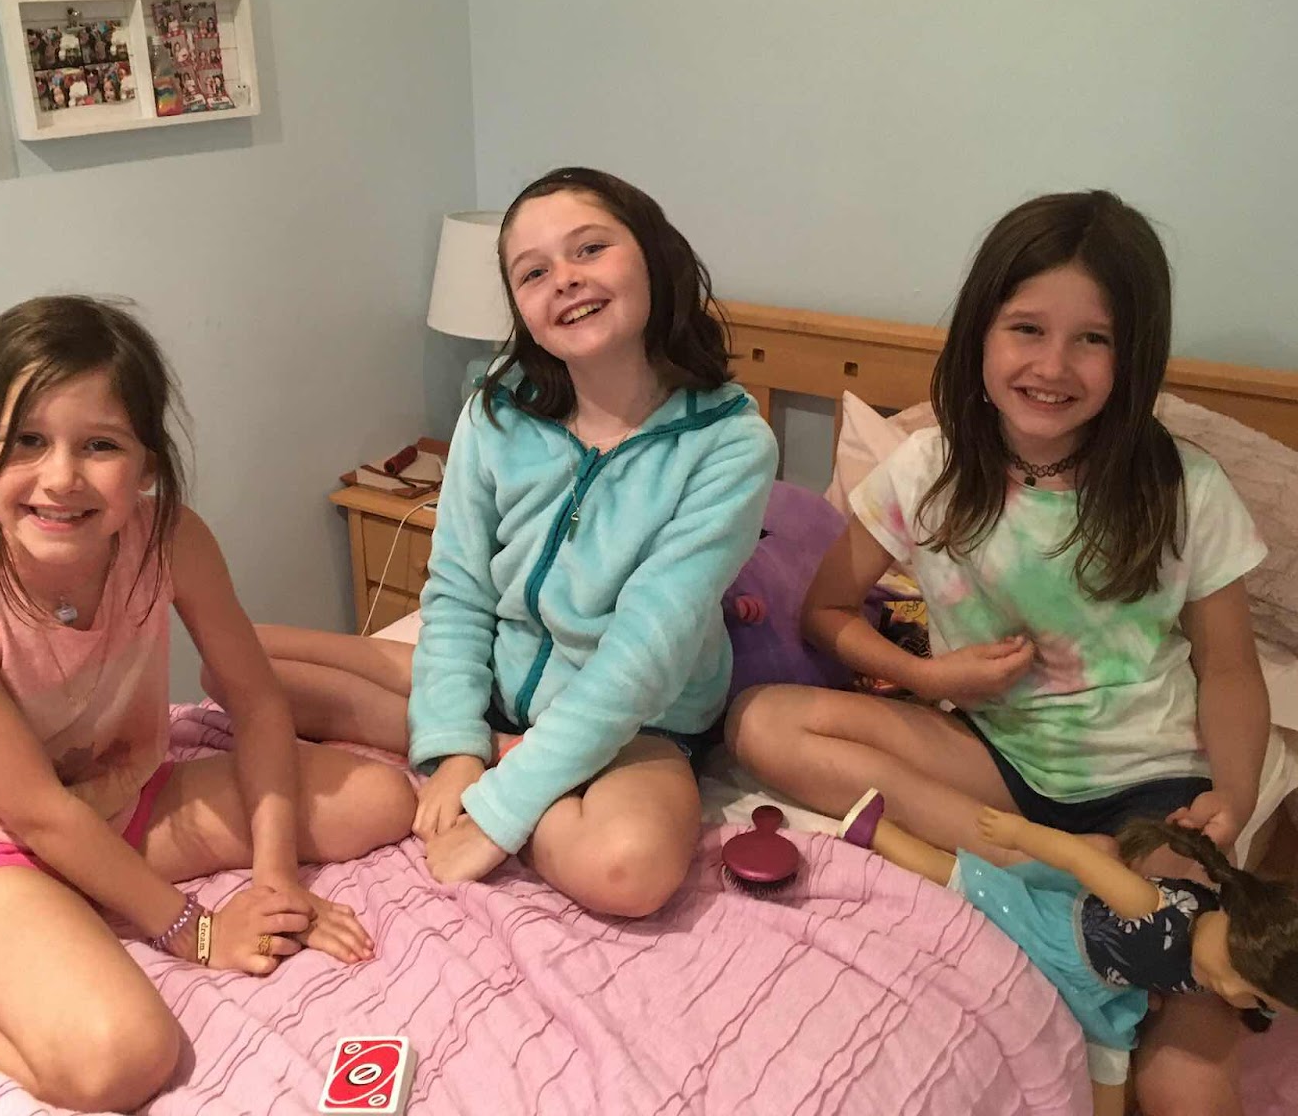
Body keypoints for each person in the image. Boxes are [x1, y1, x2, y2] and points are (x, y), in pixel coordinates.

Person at [725, 190, 1271, 1114]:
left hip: (1149, 788)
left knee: (1187, 1066)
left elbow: (1229, 667)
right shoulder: (927, 468)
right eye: (1026, 329)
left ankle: (1049, 879)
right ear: (981, 331)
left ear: (1133, 355)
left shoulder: (1183, 487)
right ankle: (1048, 872)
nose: (1052, 366)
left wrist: (1238, 795)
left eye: (1092, 340)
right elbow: (826, 611)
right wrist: (927, 676)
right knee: (760, 721)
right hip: (994, 761)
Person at [0, 297, 415, 1112]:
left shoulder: (171, 537)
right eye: (27, 441)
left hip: (122, 800)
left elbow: (258, 702)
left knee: (381, 798)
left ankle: (72, 900)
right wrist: (197, 930)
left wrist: (275, 880)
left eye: (100, 445)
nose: (61, 478)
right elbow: (36, 812)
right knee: (125, 1059)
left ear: (147, 463)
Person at [237, 167, 776, 918]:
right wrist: (459, 747)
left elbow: (644, 657)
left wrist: (499, 809)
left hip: (634, 722)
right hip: (503, 675)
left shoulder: (729, 444)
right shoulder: (497, 408)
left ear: (655, 256)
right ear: (521, 306)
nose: (566, 279)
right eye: (533, 272)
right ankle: (482, 739)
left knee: (628, 871)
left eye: (590, 249)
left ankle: (506, 753)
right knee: (240, 663)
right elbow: (459, 589)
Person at [834, 792, 1295, 1115]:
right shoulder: (1152, 909)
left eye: (1258, 1001)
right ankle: (877, 834)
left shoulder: (1212, 942)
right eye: (1248, 986)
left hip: (1109, 987)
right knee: (967, 882)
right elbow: (1079, 859)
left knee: (1111, 1061)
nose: (1236, 995)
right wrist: (1019, 832)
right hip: (1063, 940)